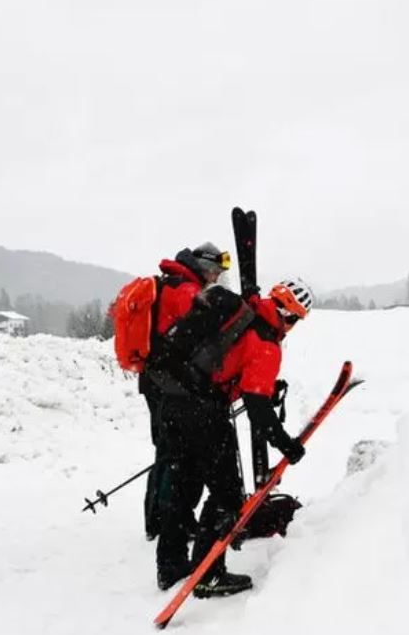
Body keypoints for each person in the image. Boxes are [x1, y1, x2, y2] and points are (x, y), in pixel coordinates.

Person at [153, 277, 313, 598]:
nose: (292, 326)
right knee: (226, 495)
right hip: (203, 413)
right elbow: (257, 408)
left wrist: (263, 388)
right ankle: (208, 575)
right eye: (295, 319)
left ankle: (170, 565)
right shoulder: (266, 342)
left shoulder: (244, 311)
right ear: (289, 315)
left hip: (172, 398)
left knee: (185, 483)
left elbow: (231, 364)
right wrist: (287, 445)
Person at [141, 243, 229, 540]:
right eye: (215, 272)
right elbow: (195, 337)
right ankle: (168, 521)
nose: (216, 278)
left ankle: (158, 519)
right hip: (168, 382)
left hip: (155, 378)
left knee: (166, 451)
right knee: (174, 455)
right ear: (205, 267)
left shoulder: (171, 283)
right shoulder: (186, 291)